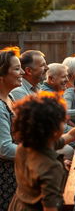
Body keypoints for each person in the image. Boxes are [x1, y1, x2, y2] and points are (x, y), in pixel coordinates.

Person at [8, 92, 75, 211]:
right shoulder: (51, 168)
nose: (66, 119)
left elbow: (70, 136)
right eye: (62, 120)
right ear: (53, 128)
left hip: (18, 204)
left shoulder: (28, 146)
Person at [0, 46, 24, 210]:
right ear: (1, 74)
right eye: (17, 68)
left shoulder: (9, 97)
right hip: (6, 178)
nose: (22, 72)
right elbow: (4, 148)